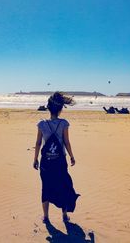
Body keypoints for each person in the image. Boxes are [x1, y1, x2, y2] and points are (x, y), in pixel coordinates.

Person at [33, 92, 80, 223]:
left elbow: (37, 143)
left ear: (48, 108)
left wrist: (35, 158)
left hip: (46, 162)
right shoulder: (64, 123)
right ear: (60, 109)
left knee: (45, 187)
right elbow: (67, 142)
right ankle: (64, 216)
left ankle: (46, 217)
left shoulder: (41, 124)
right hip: (60, 161)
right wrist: (71, 156)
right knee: (63, 186)